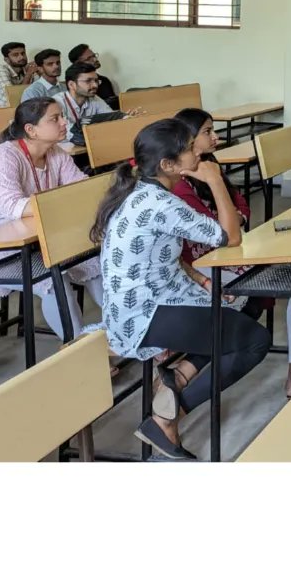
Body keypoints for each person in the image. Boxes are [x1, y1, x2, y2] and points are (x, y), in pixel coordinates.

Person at [91, 118, 271, 460]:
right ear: (167, 165)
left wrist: (203, 281)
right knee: (255, 341)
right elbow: (231, 237)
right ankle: (165, 418)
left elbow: (162, 254)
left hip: (149, 299)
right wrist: (215, 179)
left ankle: (178, 377)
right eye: (189, 149)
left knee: (243, 301)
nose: (197, 153)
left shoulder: (141, 189)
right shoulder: (163, 203)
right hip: (144, 313)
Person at [172, 107, 291, 396]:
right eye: (208, 132)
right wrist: (231, 220)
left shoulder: (211, 166)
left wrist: (233, 218)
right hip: (204, 263)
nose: (216, 137)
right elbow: (218, 231)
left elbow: (242, 206)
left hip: (232, 251)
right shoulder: (181, 184)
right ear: (187, 139)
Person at [0, 98, 106, 339]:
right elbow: (12, 207)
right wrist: (63, 203)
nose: (64, 122)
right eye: (55, 118)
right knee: (54, 278)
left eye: (62, 116)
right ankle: (79, 351)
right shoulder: (3, 157)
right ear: (31, 129)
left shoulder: (55, 152)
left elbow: (80, 188)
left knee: (96, 263)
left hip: (40, 238)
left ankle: (130, 332)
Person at [55, 61, 144, 146]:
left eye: (96, 80)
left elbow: (111, 118)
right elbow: (67, 133)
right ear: (71, 85)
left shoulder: (94, 99)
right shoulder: (57, 103)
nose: (95, 85)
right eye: (88, 81)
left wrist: (124, 118)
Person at [0, 42, 39, 108]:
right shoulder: (0, 70)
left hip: (14, 109)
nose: (21, 57)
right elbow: (14, 98)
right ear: (6, 60)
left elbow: (37, 91)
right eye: (16, 55)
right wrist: (28, 74)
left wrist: (39, 71)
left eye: (23, 53)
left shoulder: (26, 69)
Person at [67, 43, 119, 109]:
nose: (95, 59)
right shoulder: (73, 86)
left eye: (94, 55)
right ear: (78, 64)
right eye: (89, 59)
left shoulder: (104, 80)